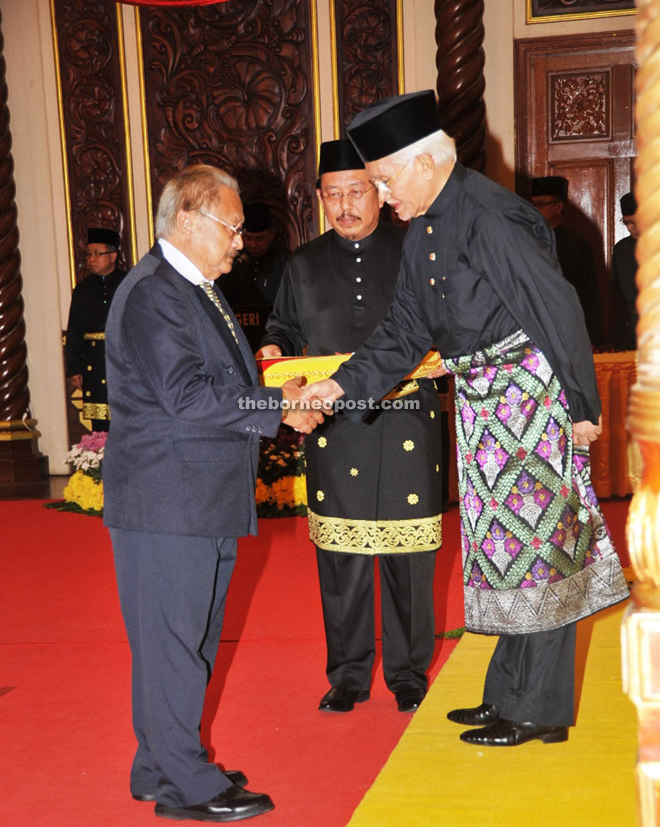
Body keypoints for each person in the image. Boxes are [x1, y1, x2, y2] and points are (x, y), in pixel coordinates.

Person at [303, 91, 629, 747]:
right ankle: (509, 695)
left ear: (426, 161)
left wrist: (583, 407)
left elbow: (557, 307)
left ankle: (539, 711)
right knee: (504, 550)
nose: (384, 195)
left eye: (388, 180)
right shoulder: (427, 221)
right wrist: (337, 385)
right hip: (486, 405)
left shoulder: (488, 215)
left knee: (538, 553)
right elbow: (403, 332)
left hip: (529, 397)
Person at [103, 165, 324, 822]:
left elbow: (215, 383)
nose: (238, 241)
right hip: (168, 503)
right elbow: (187, 395)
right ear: (190, 218)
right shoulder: (154, 294)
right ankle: (186, 785)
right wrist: (277, 407)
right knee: (175, 641)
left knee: (184, 640)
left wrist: (277, 401)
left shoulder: (191, 286)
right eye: (231, 228)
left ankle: (158, 761)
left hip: (196, 498)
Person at [258, 139, 442, 714]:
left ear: (379, 193)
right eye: (333, 194)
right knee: (341, 552)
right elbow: (283, 329)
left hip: (408, 412)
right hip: (333, 422)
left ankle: (408, 672)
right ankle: (348, 673)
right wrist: (272, 353)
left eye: (356, 192)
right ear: (318, 198)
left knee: (408, 554)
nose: (345, 206)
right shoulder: (303, 263)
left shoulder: (416, 247)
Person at [64, 227, 125, 431]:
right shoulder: (82, 289)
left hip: (123, 360)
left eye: (97, 254)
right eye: (89, 254)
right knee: (100, 425)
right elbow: (74, 330)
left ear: (113, 255)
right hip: (93, 362)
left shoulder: (129, 284)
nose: (91, 259)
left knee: (125, 419)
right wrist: (73, 368)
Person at [530, 176, 602, 346]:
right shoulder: (524, 241)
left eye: (540, 204)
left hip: (569, 330)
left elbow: (589, 294)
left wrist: (593, 339)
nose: (534, 210)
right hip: (535, 329)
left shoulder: (577, 244)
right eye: (532, 205)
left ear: (558, 207)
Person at [218, 202, 288, 350]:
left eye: (260, 239)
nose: (253, 244)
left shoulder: (285, 262)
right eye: (248, 238)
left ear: (271, 235)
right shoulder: (232, 263)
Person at [611, 190, 639, 350]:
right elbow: (617, 294)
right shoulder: (622, 249)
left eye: (634, 222)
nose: (629, 228)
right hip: (632, 331)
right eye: (626, 223)